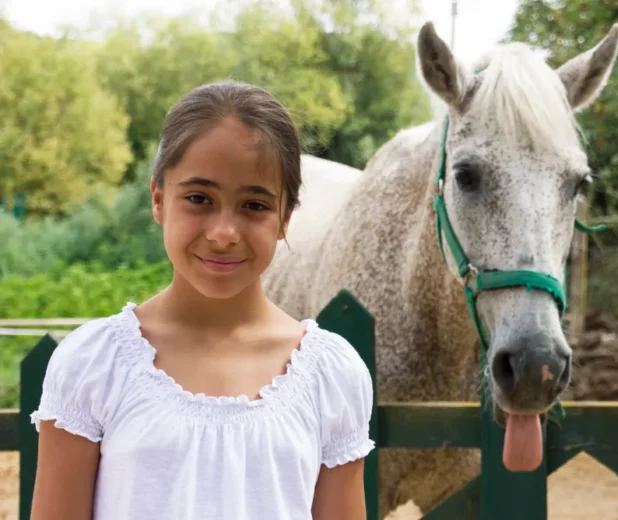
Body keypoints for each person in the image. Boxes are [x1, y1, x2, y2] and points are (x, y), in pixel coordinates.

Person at [29, 81, 375, 520]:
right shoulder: (94, 365)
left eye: (254, 205)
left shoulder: (331, 376)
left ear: (285, 218)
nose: (223, 233)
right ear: (158, 199)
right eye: (198, 199)